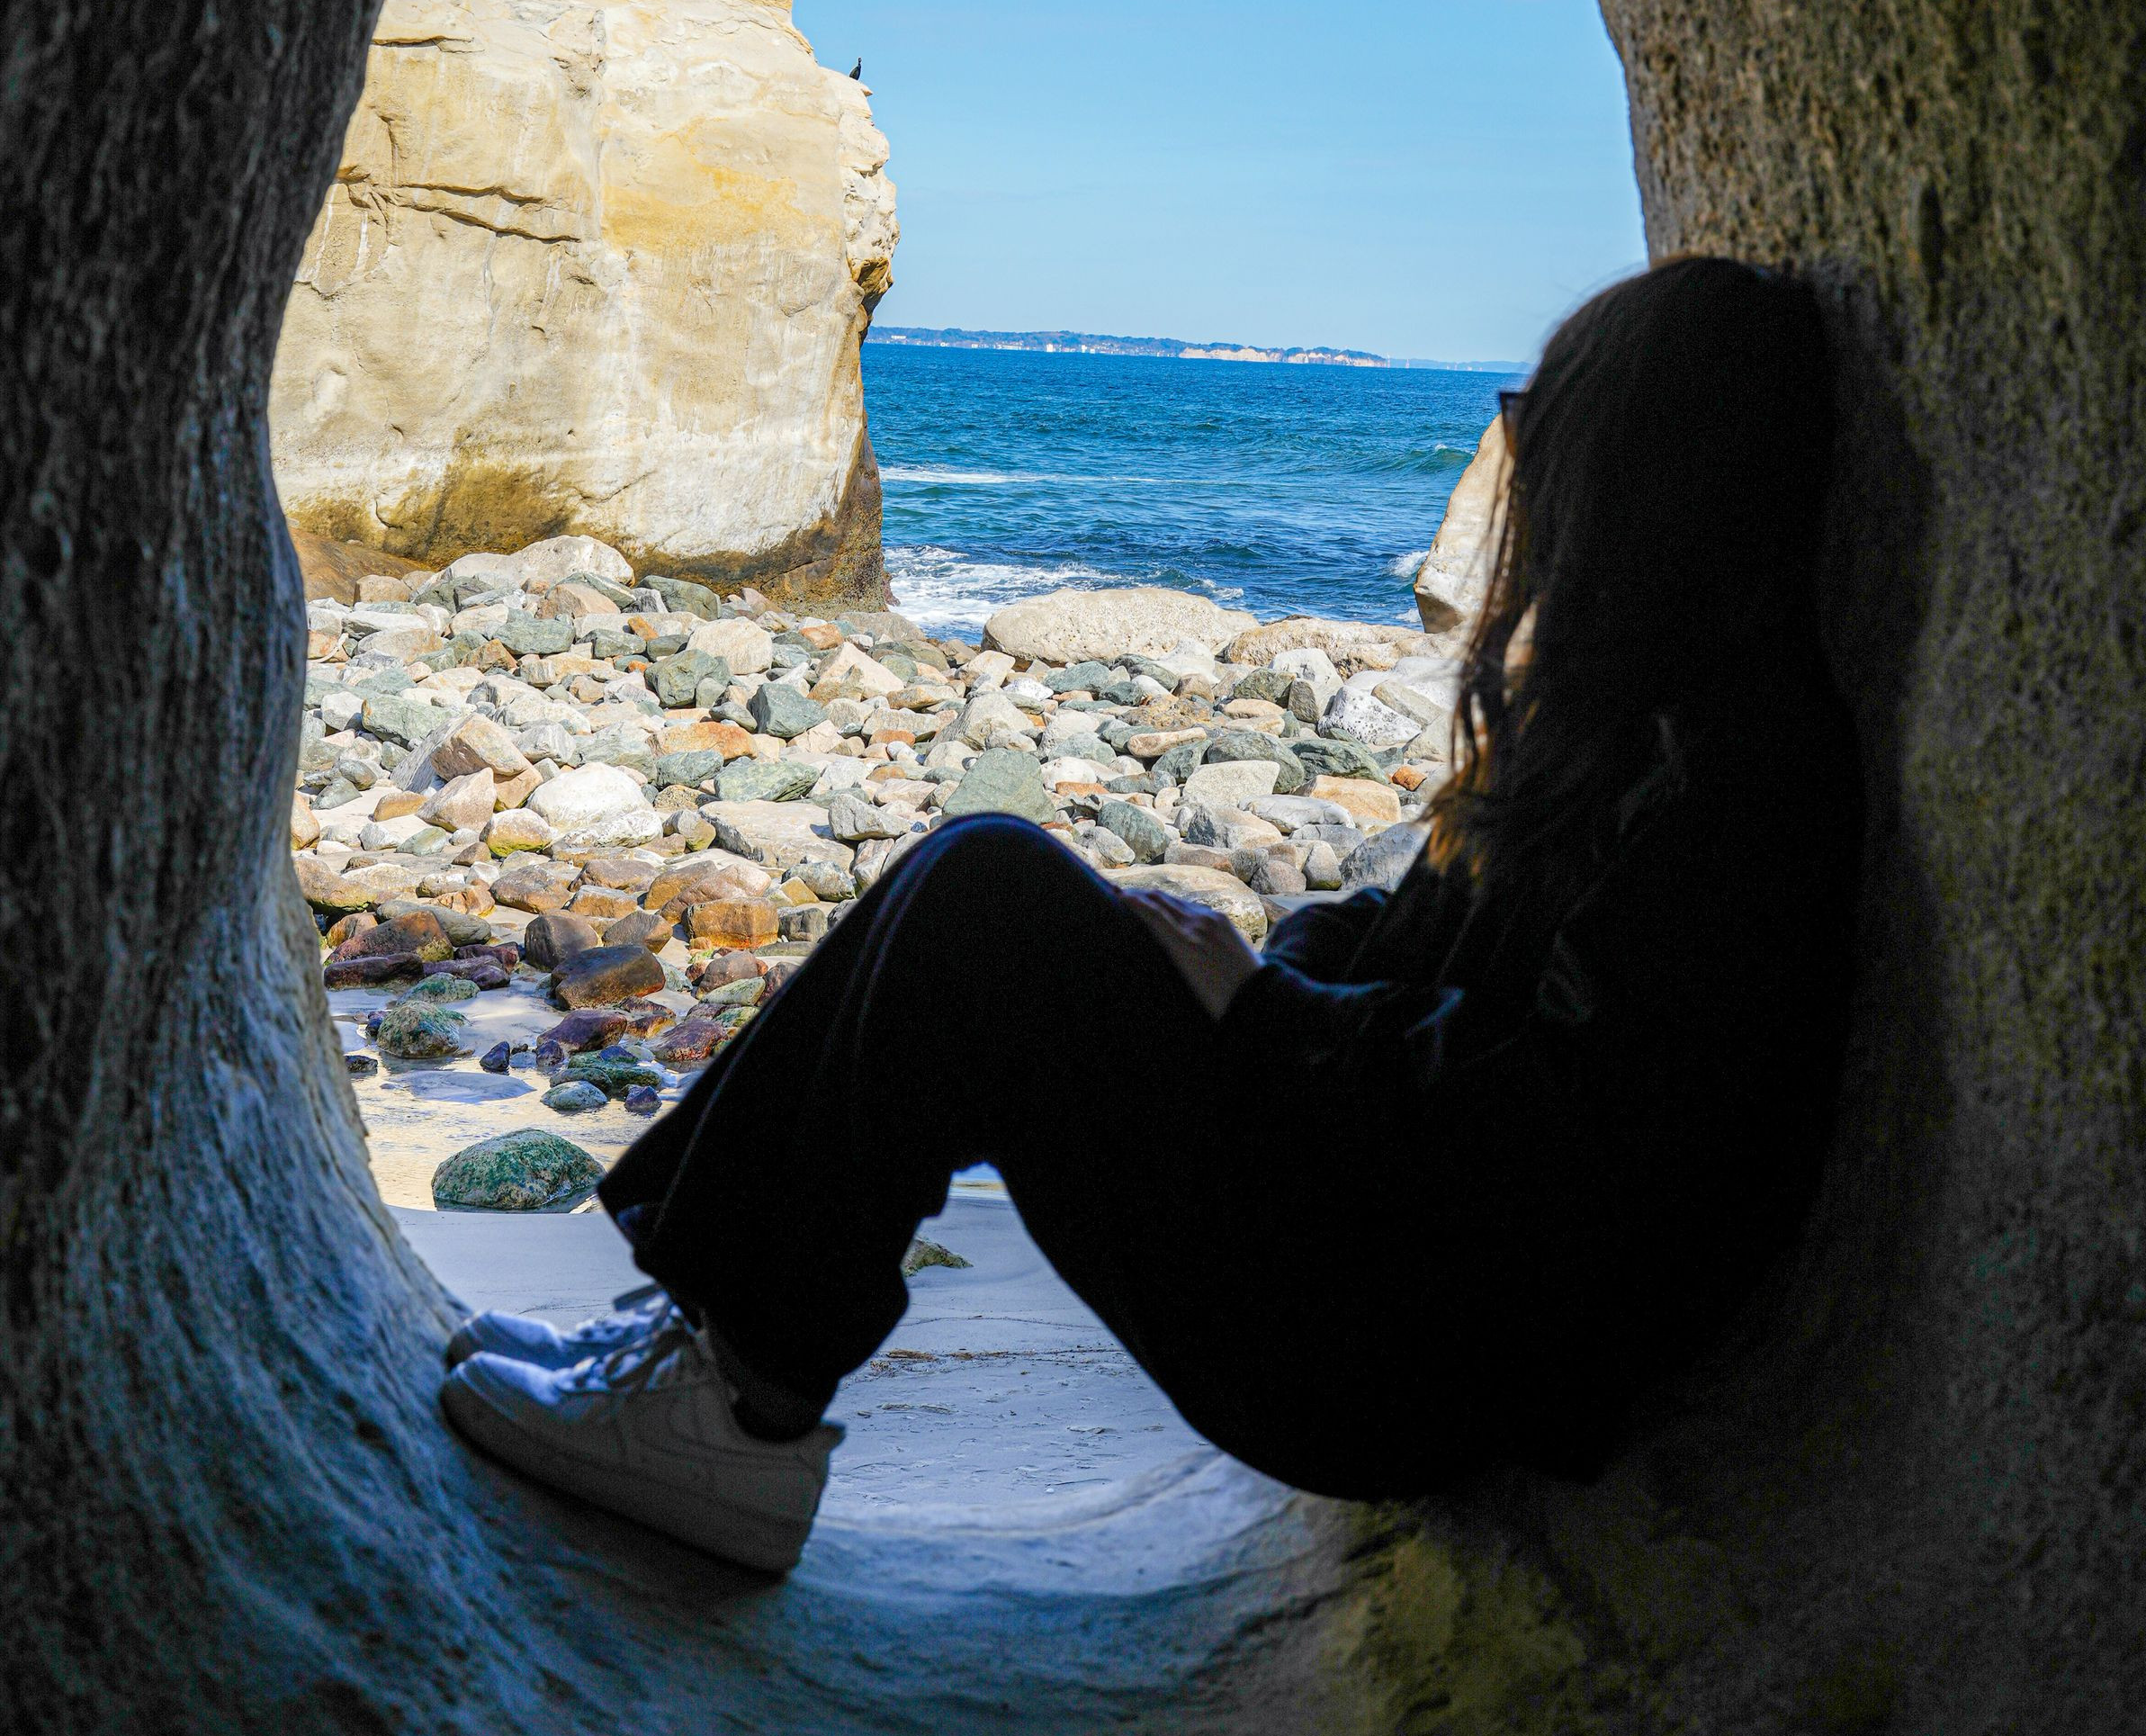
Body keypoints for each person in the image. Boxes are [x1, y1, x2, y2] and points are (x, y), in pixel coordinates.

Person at [440, 256, 1862, 1570]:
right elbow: (1405, 934)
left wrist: (1263, 1009)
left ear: (1637, 480)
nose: (1517, 462)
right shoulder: (1632, 726)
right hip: (1388, 1252)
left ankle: (734, 1413)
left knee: (989, 898)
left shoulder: (1734, 782)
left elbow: (1564, 1137)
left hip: (1414, 1356)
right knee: (996, 876)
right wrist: (1242, 967)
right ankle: (704, 1336)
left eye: (1536, 423)